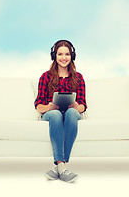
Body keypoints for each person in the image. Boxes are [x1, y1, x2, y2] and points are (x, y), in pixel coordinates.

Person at [34, 40, 87, 183]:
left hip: (71, 113)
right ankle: (62, 167)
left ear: (72, 56)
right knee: (56, 114)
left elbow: (83, 106)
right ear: (54, 55)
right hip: (51, 114)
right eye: (60, 54)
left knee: (71, 113)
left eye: (67, 54)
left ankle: (59, 167)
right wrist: (49, 107)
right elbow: (39, 106)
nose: (64, 57)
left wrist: (76, 106)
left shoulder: (79, 77)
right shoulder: (45, 77)